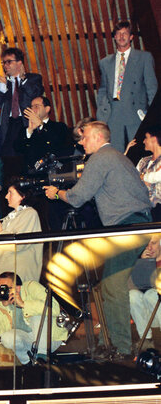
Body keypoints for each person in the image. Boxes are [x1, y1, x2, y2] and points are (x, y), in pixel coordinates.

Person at [44, 121, 152, 357]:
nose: (81, 142)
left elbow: (77, 197)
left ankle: (121, 348)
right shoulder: (117, 157)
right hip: (135, 225)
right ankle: (107, 342)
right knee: (106, 285)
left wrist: (57, 192)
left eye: (84, 138)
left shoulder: (101, 157)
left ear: (97, 137)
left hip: (127, 227)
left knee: (113, 286)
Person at [97, 21, 158, 152]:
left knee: (139, 153)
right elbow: (103, 89)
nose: (121, 36)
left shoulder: (144, 58)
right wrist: (101, 113)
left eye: (125, 33)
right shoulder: (105, 62)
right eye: (118, 34)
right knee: (116, 155)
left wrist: (153, 118)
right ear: (114, 37)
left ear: (131, 37)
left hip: (136, 115)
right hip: (113, 116)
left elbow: (152, 89)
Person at [0, 272, 68, 365]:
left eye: (6, 288)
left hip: (50, 338)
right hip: (28, 341)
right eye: (0, 289)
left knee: (36, 314)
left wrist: (23, 304)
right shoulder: (0, 305)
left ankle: (42, 358)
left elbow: (54, 308)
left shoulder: (31, 287)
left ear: (17, 288)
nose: (2, 292)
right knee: (7, 337)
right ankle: (28, 362)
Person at [0, 183, 43, 285]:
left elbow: (20, 245)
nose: (6, 196)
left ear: (23, 196)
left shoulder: (30, 214)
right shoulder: (9, 218)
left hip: (18, 281)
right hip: (1, 279)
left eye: (10, 193)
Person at [0, 47, 44, 155]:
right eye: (4, 62)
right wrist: (2, 86)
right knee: (9, 156)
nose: (5, 65)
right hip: (9, 124)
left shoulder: (33, 79)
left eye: (9, 62)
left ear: (19, 63)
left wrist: (23, 80)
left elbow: (35, 94)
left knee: (29, 153)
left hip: (27, 121)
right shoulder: (1, 82)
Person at [13, 95, 73, 173]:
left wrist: (41, 125)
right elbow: (18, 148)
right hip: (30, 173)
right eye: (32, 107)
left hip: (52, 172)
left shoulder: (59, 127)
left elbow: (57, 144)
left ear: (47, 109)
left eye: (37, 106)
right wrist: (29, 131)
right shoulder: (25, 130)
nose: (33, 109)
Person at [129, 236, 161, 349]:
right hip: (150, 315)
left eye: (153, 243)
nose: (149, 247)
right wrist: (143, 264)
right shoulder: (140, 262)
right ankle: (146, 339)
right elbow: (130, 287)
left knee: (151, 294)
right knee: (133, 295)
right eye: (146, 244)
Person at [131, 125, 161, 221]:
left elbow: (156, 177)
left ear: (154, 139)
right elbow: (132, 181)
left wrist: (142, 177)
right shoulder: (143, 161)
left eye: (146, 138)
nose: (143, 141)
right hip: (141, 210)